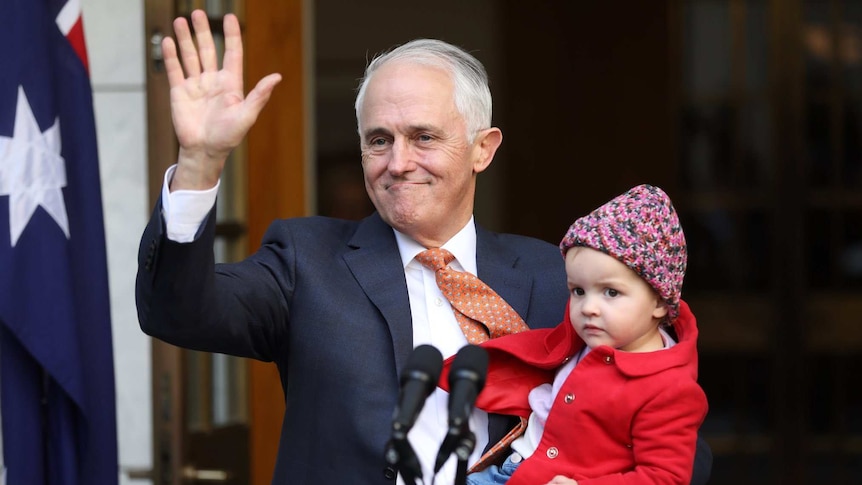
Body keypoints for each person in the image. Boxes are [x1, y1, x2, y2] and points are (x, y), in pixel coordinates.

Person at [135, 9, 712, 485]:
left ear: (482, 149)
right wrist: (200, 163)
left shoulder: (555, 275)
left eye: (424, 137)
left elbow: (674, 435)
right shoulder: (305, 259)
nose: (398, 163)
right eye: (378, 140)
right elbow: (177, 310)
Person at [442, 185, 707, 485]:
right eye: (578, 291)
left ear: (659, 301)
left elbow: (664, 477)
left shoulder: (669, 388)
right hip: (507, 470)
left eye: (611, 292)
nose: (589, 307)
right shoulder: (585, 342)